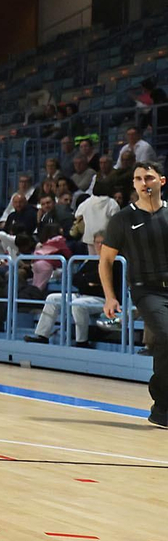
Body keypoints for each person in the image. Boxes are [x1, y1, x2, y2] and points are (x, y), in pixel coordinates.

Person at [99, 161, 168, 427]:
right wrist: (110, 296)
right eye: (138, 179)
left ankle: (162, 406)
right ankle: (162, 403)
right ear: (134, 185)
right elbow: (105, 261)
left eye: (148, 177)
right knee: (166, 335)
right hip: (146, 290)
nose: (143, 182)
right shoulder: (123, 218)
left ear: (161, 181)